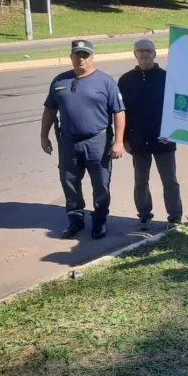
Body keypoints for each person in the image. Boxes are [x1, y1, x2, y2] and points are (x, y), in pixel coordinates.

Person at [41, 40, 125, 240]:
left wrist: (119, 141)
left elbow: (119, 112)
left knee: (101, 183)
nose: (81, 59)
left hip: (98, 140)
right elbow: (50, 110)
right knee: (69, 181)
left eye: (85, 55)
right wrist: (44, 136)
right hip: (68, 142)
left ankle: (99, 220)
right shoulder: (59, 81)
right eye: (77, 55)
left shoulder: (105, 81)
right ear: (71, 57)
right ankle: (75, 218)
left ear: (92, 57)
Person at [117, 39, 183, 232]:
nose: (144, 54)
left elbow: (178, 107)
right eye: (140, 51)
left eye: (148, 51)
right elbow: (121, 112)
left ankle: (175, 217)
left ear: (155, 54)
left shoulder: (167, 77)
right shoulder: (126, 80)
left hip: (164, 139)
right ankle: (145, 216)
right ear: (135, 55)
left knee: (170, 181)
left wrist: (173, 132)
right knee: (140, 181)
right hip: (137, 141)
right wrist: (124, 139)